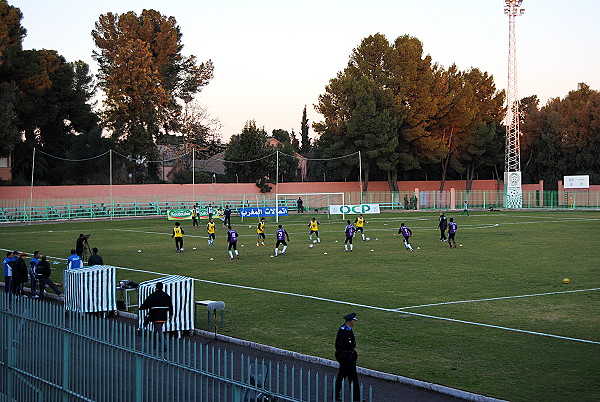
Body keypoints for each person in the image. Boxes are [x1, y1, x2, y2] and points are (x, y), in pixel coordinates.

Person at [335, 312, 360, 402]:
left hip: (349, 357)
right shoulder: (343, 330)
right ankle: (355, 398)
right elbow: (339, 346)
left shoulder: (348, 329)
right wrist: (345, 357)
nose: (354, 322)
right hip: (346, 358)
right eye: (354, 320)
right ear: (350, 321)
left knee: (347, 376)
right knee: (347, 377)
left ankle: (355, 397)